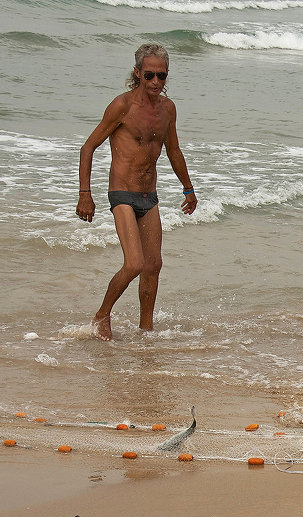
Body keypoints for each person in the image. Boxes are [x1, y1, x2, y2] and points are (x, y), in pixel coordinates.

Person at [76, 43, 197, 341]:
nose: (156, 82)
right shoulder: (123, 106)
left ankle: (146, 330)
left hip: (148, 195)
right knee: (134, 263)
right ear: (137, 74)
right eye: (149, 75)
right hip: (122, 193)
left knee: (153, 265)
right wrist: (85, 194)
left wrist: (189, 188)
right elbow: (88, 147)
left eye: (162, 76)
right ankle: (102, 315)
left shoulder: (168, 109)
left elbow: (174, 150)